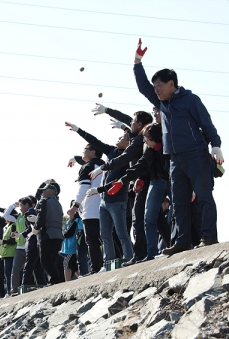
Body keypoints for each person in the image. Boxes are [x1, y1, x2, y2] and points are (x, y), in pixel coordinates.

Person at [133, 38, 223, 254]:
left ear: (172, 84)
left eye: (159, 86)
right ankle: (182, 241)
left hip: (196, 154)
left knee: (203, 196)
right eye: (154, 87)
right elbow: (142, 87)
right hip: (174, 158)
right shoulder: (161, 104)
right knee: (179, 201)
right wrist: (137, 62)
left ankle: (208, 236)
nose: (155, 90)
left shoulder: (190, 100)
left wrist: (216, 145)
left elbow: (206, 122)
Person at [89, 105, 154, 262]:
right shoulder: (138, 134)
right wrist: (107, 111)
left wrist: (103, 168)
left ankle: (141, 255)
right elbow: (126, 119)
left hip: (144, 181)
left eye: (133, 123)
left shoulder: (139, 140)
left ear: (139, 125)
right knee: (148, 219)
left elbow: (125, 158)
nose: (130, 124)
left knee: (139, 222)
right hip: (137, 182)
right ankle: (140, 254)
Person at [103, 123, 171, 264]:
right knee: (149, 218)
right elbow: (140, 166)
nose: (144, 140)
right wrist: (122, 181)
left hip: (173, 180)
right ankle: (152, 253)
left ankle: (182, 244)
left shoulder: (169, 146)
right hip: (156, 182)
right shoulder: (148, 150)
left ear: (154, 137)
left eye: (146, 137)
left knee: (180, 211)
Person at [65, 122, 133, 263]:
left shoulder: (128, 156)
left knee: (121, 233)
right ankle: (108, 262)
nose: (119, 138)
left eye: (124, 137)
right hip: (103, 201)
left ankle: (129, 259)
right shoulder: (111, 151)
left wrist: (124, 127)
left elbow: (117, 178)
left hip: (118, 199)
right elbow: (94, 141)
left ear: (129, 142)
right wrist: (78, 130)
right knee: (105, 235)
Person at [66, 144, 105, 274]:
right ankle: (111, 262)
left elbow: (84, 188)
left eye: (84, 150)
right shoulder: (104, 165)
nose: (82, 153)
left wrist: (75, 206)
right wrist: (74, 159)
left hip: (91, 209)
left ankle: (96, 268)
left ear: (93, 152)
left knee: (92, 241)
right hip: (106, 206)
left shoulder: (87, 167)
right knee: (108, 238)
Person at [32, 183, 64, 284]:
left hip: (47, 234)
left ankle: (54, 280)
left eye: (43, 191)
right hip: (58, 234)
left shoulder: (44, 201)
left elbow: (42, 217)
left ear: (49, 192)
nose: (41, 194)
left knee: (45, 260)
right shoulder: (58, 204)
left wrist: (36, 227)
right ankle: (57, 280)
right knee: (53, 259)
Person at [61, 200, 84, 281]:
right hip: (66, 247)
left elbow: (74, 233)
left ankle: (67, 282)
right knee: (72, 265)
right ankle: (80, 278)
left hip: (73, 246)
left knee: (66, 263)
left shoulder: (79, 221)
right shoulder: (68, 221)